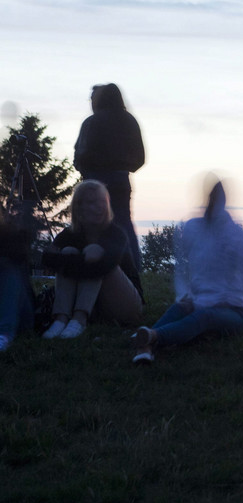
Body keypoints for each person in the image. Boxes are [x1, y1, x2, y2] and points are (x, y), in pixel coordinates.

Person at [132, 178, 243, 363]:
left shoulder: (235, 234)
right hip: (200, 300)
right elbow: (182, 267)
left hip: (232, 311)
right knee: (179, 309)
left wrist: (220, 300)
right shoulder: (193, 227)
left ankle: (151, 337)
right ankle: (146, 342)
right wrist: (186, 295)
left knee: (204, 316)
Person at [40, 180, 143, 339]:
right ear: (79, 207)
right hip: (98, 308)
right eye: (92, 202)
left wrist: (69, 261)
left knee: (92, 254)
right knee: (69, 251)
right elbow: (46, 258)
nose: (99, 206)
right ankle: (61, 319)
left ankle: (79, 319)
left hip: (126, 306)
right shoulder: (70, 234)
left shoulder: (116, 233)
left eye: (102, 201)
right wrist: (76, 259)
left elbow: (103, 267)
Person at [74, 83, 146, 270]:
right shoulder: (130, 121)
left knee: (92, 224)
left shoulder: (92, 122)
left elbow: (80, 154)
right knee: (123, 223)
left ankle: (92, 266)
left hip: (94, 179)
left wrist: (87, 171)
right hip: (121, 180)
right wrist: (122, 167)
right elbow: (140, 157)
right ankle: (133, 269)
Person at [0, 208, 35, 352]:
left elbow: (20, 255)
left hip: (18, 315)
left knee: (8, 268)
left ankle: (3, 334)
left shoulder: (7, 235)